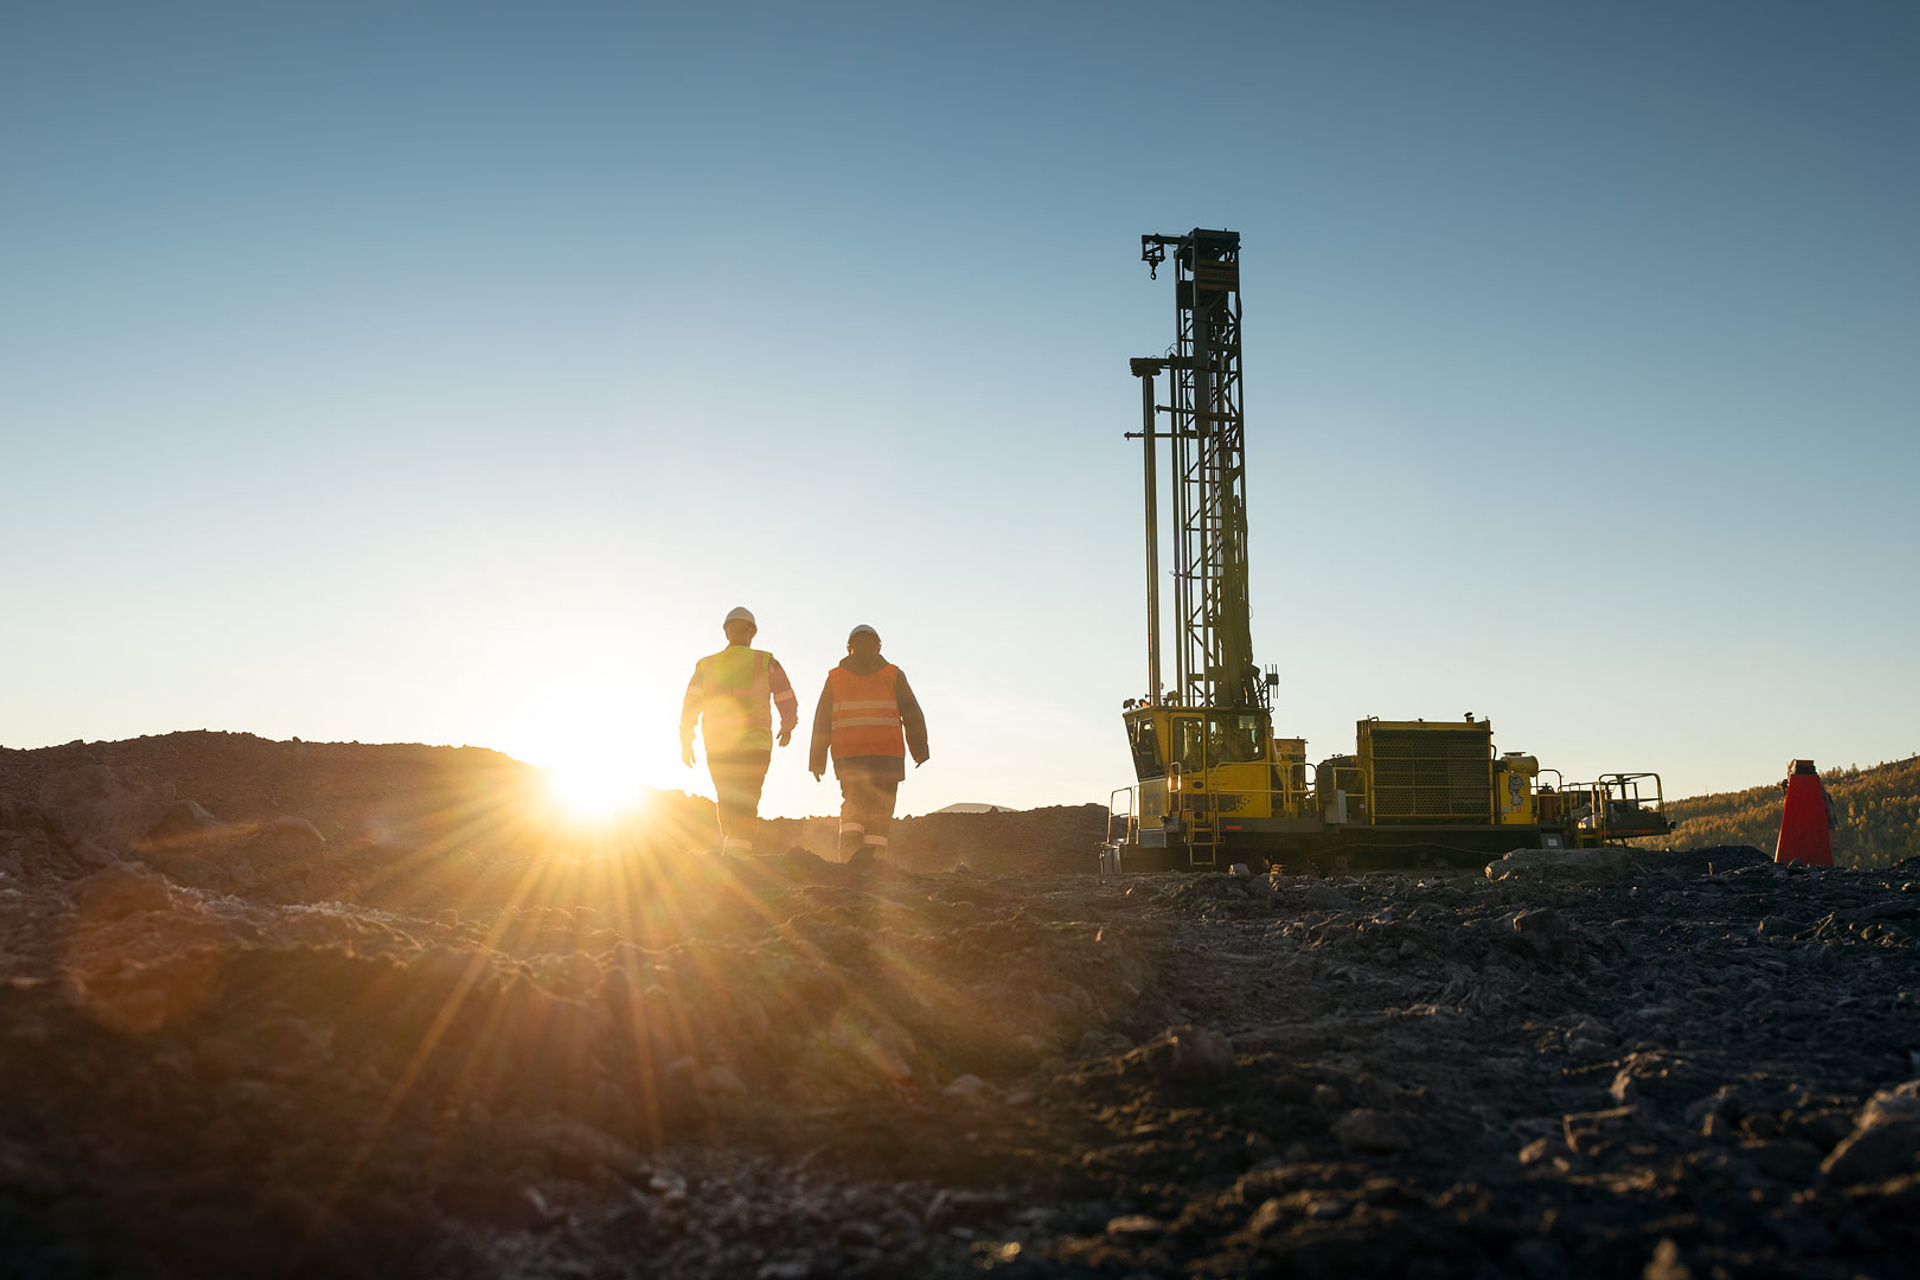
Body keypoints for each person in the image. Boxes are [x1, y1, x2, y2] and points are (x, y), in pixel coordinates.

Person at [680, 607, 798, 855]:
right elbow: (786, 696)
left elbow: (690, 706)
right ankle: (738, 849)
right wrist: (788, 724)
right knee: (748, 795)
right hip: (756, 743)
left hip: (719, 744)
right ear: (752, 632)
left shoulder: (707, 665)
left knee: (727, 795)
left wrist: (687, 739)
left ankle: (734, 849)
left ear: (726, 632)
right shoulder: (765, 660)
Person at [809, 624, 929, 860]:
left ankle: (849, 859)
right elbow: (913, 714)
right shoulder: (894, 675)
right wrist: (920, 750)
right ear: (879, 646)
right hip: (888, 756)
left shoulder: (835, 677)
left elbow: (821, 720)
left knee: (853, 806)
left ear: (848, 647)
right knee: (880, 810)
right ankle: (875, 863)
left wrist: (817, 761)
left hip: (849, 756)